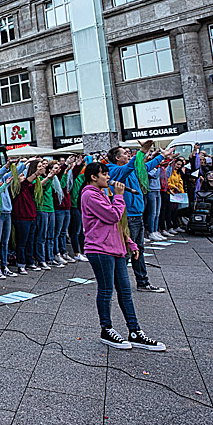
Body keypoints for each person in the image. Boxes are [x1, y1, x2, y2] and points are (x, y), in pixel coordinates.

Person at [80, 161, 165, 352]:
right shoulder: (89, 195)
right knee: (106, 290)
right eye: (104, 174)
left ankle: (134, 331)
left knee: (125, 291)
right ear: (93, 177)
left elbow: (116, 224)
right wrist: (119, 196)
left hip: (116, 247)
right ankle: (106, 329)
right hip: (99, 249)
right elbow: (113, 216)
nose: (108, 177)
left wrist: (129, 242)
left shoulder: (102, 193)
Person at [107, 142, 167, 293]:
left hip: (137, 216)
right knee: (127, 252)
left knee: (138, 250)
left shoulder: (131, 168)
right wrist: (141, 152)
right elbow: (130, 166)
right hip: (127, 217)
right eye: (125, 153)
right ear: (117, 158)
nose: (128, 155)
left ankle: (142, 282)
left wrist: (162, 156)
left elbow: (144, 167)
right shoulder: (114, 170)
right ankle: (119, 284)